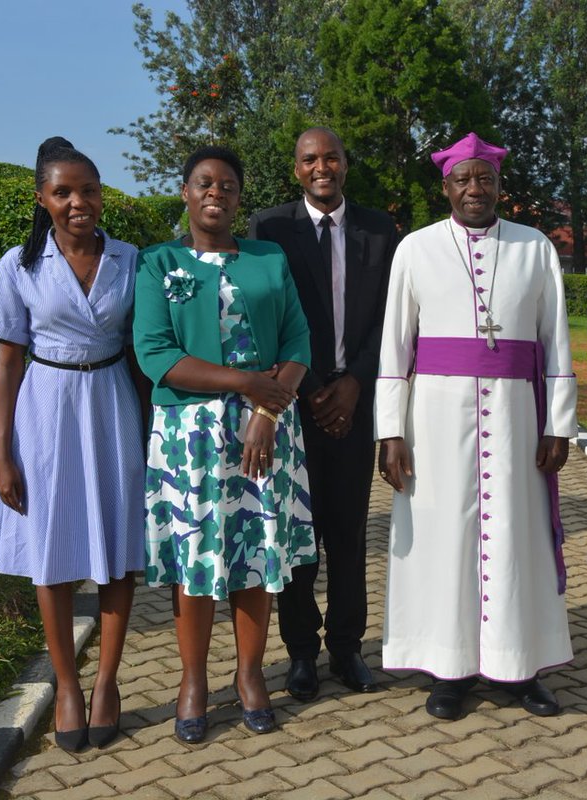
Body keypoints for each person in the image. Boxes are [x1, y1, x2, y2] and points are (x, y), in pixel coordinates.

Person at [375, 132, 578, 720]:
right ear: (446, 186)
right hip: (436, 420)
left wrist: (558, 424)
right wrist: (390, 432)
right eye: (462, 179)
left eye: (483, 179)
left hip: (516, 417)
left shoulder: (535, 247)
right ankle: (449, 668)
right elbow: (395, 346)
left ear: (498, 185)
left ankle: (519, 666)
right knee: (446, 541)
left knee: (515, 537)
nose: (474, 188)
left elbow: (556, 342)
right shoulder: (415, 248)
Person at [133, 146, 316, 743]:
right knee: (198, 559)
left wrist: (265, 407)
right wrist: (243, 382)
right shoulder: (159, 263)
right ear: (185, 192)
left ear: (240, 197)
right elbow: (155, 353)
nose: (217, 192)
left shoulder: (268, 257)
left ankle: (249, 676)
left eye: (229, 185)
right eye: (205, 183)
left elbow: (298, 340)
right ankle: (191, 682)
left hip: (267, 431)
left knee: (257, 554)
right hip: (192, 439)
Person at [0, 136, 146, 751]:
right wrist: (2, 453)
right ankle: (67, 685)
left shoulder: (132, 260)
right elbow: (7, 360)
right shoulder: (18, 266)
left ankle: (106, 682)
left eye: (89, 189)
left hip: (112, 404)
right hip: (45, 409)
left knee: (118, 543)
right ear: (42, 198)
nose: (79, 202)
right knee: (50, 547)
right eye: (63, 191)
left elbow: (146, 346)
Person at [249, 127, 397, 700]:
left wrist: (356, 383)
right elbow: (270, 316)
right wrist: (310, 387)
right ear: (296, 169)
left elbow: (390, 316)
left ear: (345, 163)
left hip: (354, 403)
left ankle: (347, 647)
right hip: (294, 402)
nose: (321, 166)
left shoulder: (379, 229)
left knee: (349, 532)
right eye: (310, 158)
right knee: (297, 534)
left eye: (331, 156)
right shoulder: (271, 228)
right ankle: (302, 654)